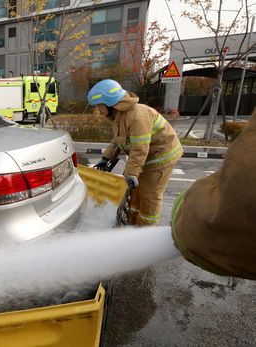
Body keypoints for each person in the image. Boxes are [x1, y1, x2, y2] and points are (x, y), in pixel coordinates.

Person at [171, 108, 255, 280]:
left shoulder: (137, 116)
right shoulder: (122, 115)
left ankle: (146, 223)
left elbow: (221, 225)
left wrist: (185, 212)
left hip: (163, 155)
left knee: (153, 195)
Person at [88, 79, 182, 226]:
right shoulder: (119, 116)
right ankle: (132, 224)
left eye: (99, 105)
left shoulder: (138, 116)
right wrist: (106, 158)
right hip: (147, 156)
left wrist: (132, 173)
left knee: (150, 195)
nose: (98, 110)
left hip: (161, 157)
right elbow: (118, 140)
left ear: (109, 103)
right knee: (135, 191)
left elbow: (140, 148)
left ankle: (146, 231)